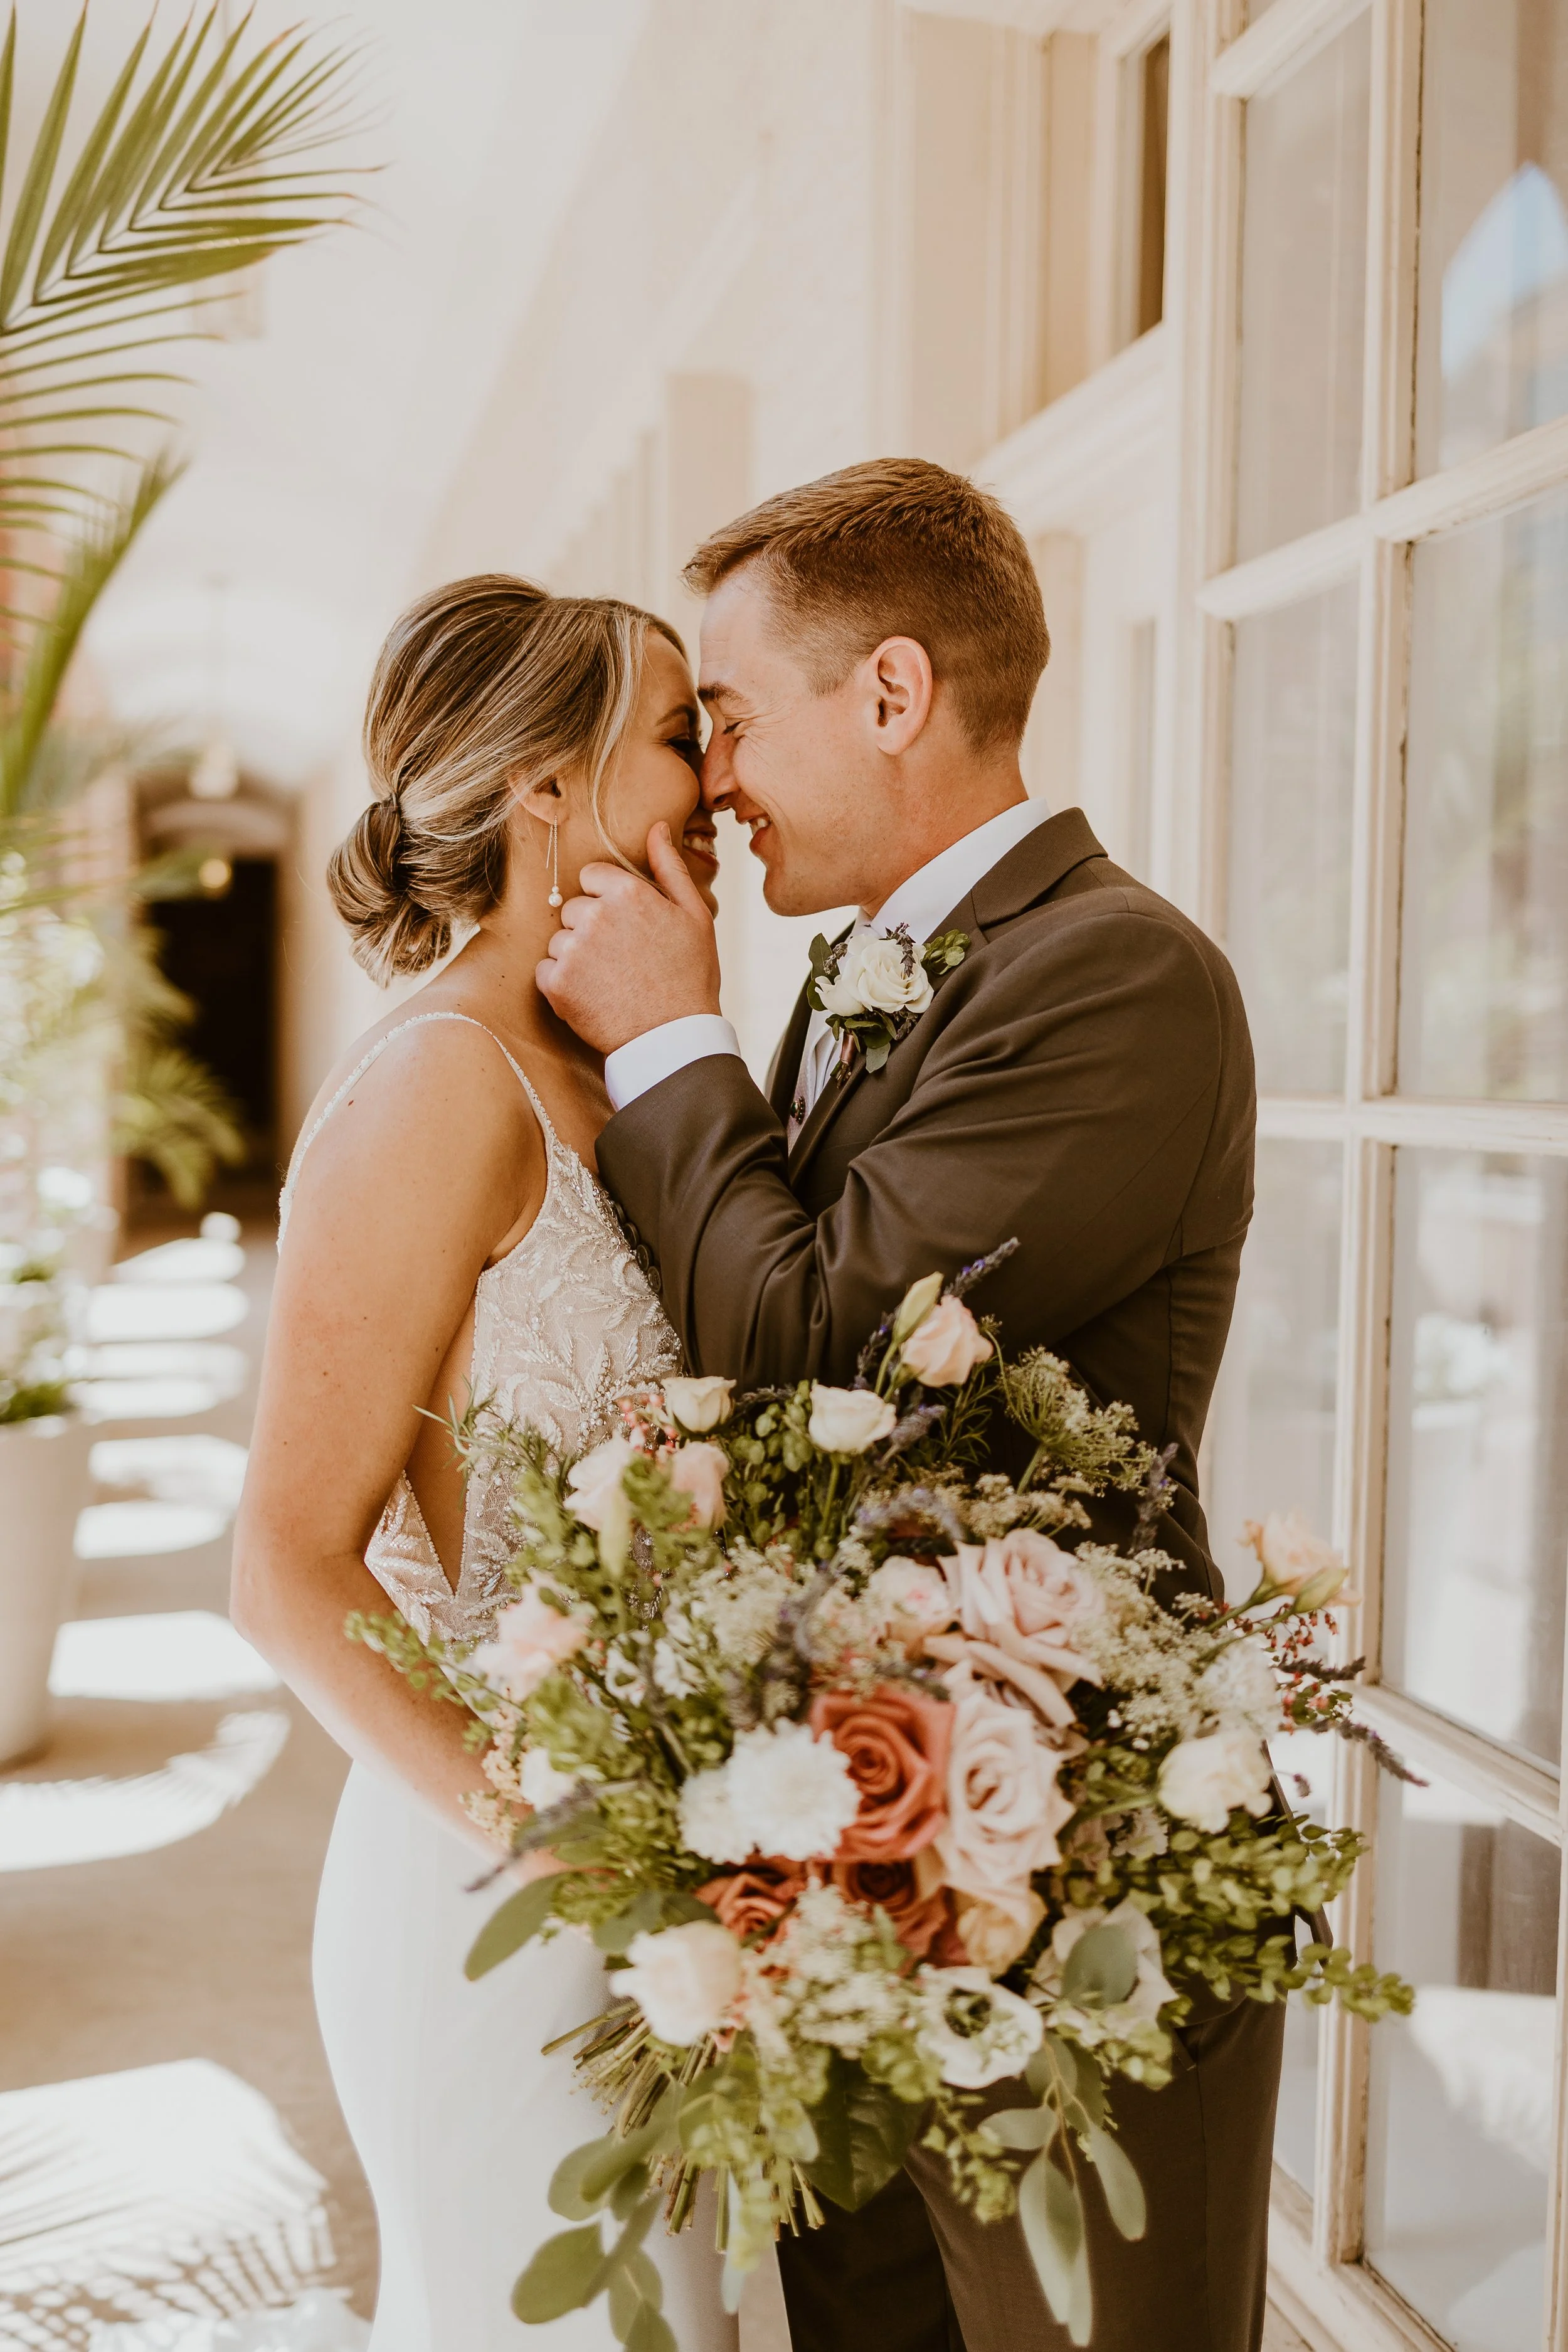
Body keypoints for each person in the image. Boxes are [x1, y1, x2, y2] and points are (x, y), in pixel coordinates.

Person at [536, 458, 1281, 2352]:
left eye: (726, 716)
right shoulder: (858, 982)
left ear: (886, 695)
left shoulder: (1120, 975)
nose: (710, 779)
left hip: (1078, 1859)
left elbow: (811, 1349)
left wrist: (662, 1036)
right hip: (849, 1843)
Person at [231, 576, 736, 2352]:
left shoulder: (614, 1072)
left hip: (671, 1889)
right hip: (501, 1892)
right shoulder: (445, 1080)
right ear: (546, 783)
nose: (719, 778)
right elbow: (285, 1561)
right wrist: (569, 1849)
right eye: (681, 735)